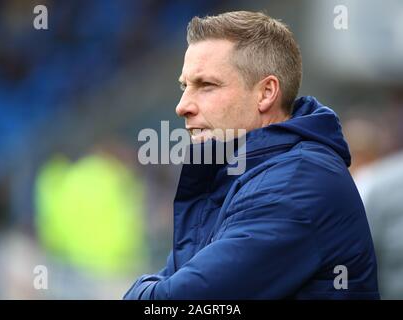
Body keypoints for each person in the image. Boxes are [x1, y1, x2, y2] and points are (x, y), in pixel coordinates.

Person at [124, 11, 379, 299]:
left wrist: (138, 292)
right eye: (185, 86)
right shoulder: (238, 174)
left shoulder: (297, 182)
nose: (183, 106)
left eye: (206, 85)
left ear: (266, 93)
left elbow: (178, 301)